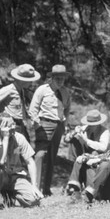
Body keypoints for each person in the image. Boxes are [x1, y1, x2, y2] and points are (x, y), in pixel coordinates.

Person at [28, 64, 71, 196]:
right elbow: (33, 109)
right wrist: (37, 125)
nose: (60, 81)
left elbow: (67, 108)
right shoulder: (42, 90)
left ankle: (46, 189)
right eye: (57, 78)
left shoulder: (65, 92)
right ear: (51, 78)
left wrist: (64, 124)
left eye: (62, 79)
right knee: (40, 155)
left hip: (58, 125)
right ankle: (35, 188)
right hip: (44, 124)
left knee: (52, 157)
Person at [0, 113, 43, 207]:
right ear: (0, 127)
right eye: (10, 125)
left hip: (16, 175)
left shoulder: (19, 137)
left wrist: (34, 186)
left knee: (34, 200)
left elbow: (30, 161)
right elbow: (1, 161)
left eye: (14, 123)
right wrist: (6, 138)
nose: (14, 127)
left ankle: (11, 198)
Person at [0, 64, 41, 143]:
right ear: (22, 80)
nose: (31, 82)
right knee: (12, 152)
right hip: (10, 125)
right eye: (29, 80)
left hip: (20, 124)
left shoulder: (21, 90)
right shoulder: (9, 89)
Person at [64, 109, 110, 195]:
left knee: (94, 152)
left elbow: (103, 147)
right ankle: (74, 184)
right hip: (85, 156)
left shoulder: (105, 132)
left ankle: (76, 185)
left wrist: (86, 140)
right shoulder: (85, 128)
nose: (90, 126)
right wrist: (74, 132)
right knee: (75, 140)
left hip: (100, 159)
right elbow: (67, 139)